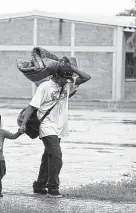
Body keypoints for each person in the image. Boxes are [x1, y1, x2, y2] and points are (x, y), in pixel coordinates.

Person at [19, 61, 91, 198]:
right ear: (57, 76)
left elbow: (87, 77)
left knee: (48, 156)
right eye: (64, 78)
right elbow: (31, 106)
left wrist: (71, 68)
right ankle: (53, 188)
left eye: (68, 79)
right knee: (56, 157)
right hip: (46, 126)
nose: (67, 81)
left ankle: (39, 185)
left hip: (59, 127)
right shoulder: (45, 87)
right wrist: (23, 124)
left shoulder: (68, 84)